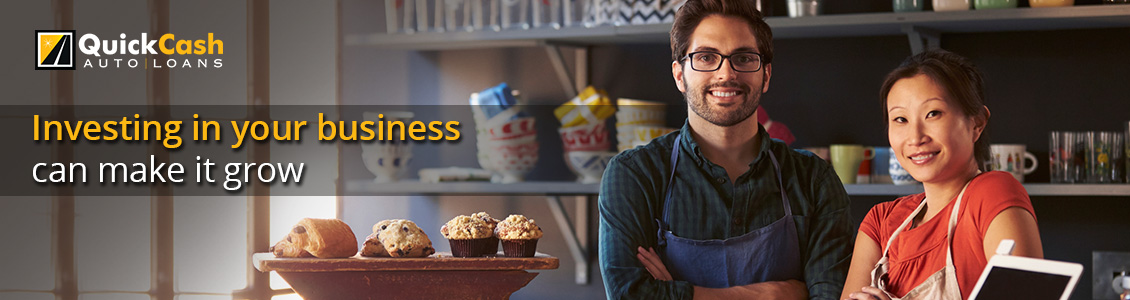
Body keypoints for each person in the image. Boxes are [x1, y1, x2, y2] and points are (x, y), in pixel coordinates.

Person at [597, 0, 854, 298]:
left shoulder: (814, 180)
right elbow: (630, 294)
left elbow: (831, 295)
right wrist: (771, 294)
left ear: (766, 75)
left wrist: (676, 293)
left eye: (743, 58)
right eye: (706, 57)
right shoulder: (634, 175)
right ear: (680, 75)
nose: (726, 74)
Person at [841, 50, 1043, 300]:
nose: (915, 137)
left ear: (977, 123)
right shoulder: (881, 222)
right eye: (900, 119)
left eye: (933, 114)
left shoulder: (991, 193)